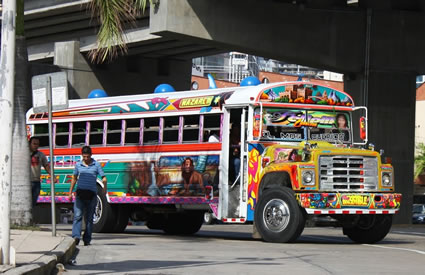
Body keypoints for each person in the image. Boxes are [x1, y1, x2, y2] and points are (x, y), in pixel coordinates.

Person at [68, 146, 107, 246]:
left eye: (87, 156)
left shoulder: (96, 165)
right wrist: (70, 192)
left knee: (89, 218)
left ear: (91, 155)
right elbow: (74, 178)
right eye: (84, 156)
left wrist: (104, 188)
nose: (86, 159)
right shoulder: (78, 165)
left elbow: (104, 177)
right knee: (77, 216)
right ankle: (76, 237)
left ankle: (87, 239)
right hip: (80, 194)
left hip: (92, 195)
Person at [30, 136, 53, 207]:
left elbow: (46, 166)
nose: (36, 146)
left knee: (33, 204)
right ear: (29, 144)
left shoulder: (41, 155)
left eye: (37, 144)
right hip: (26, 182)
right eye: (34, 144)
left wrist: (53, 176)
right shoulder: (24, 153)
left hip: (36, 182)